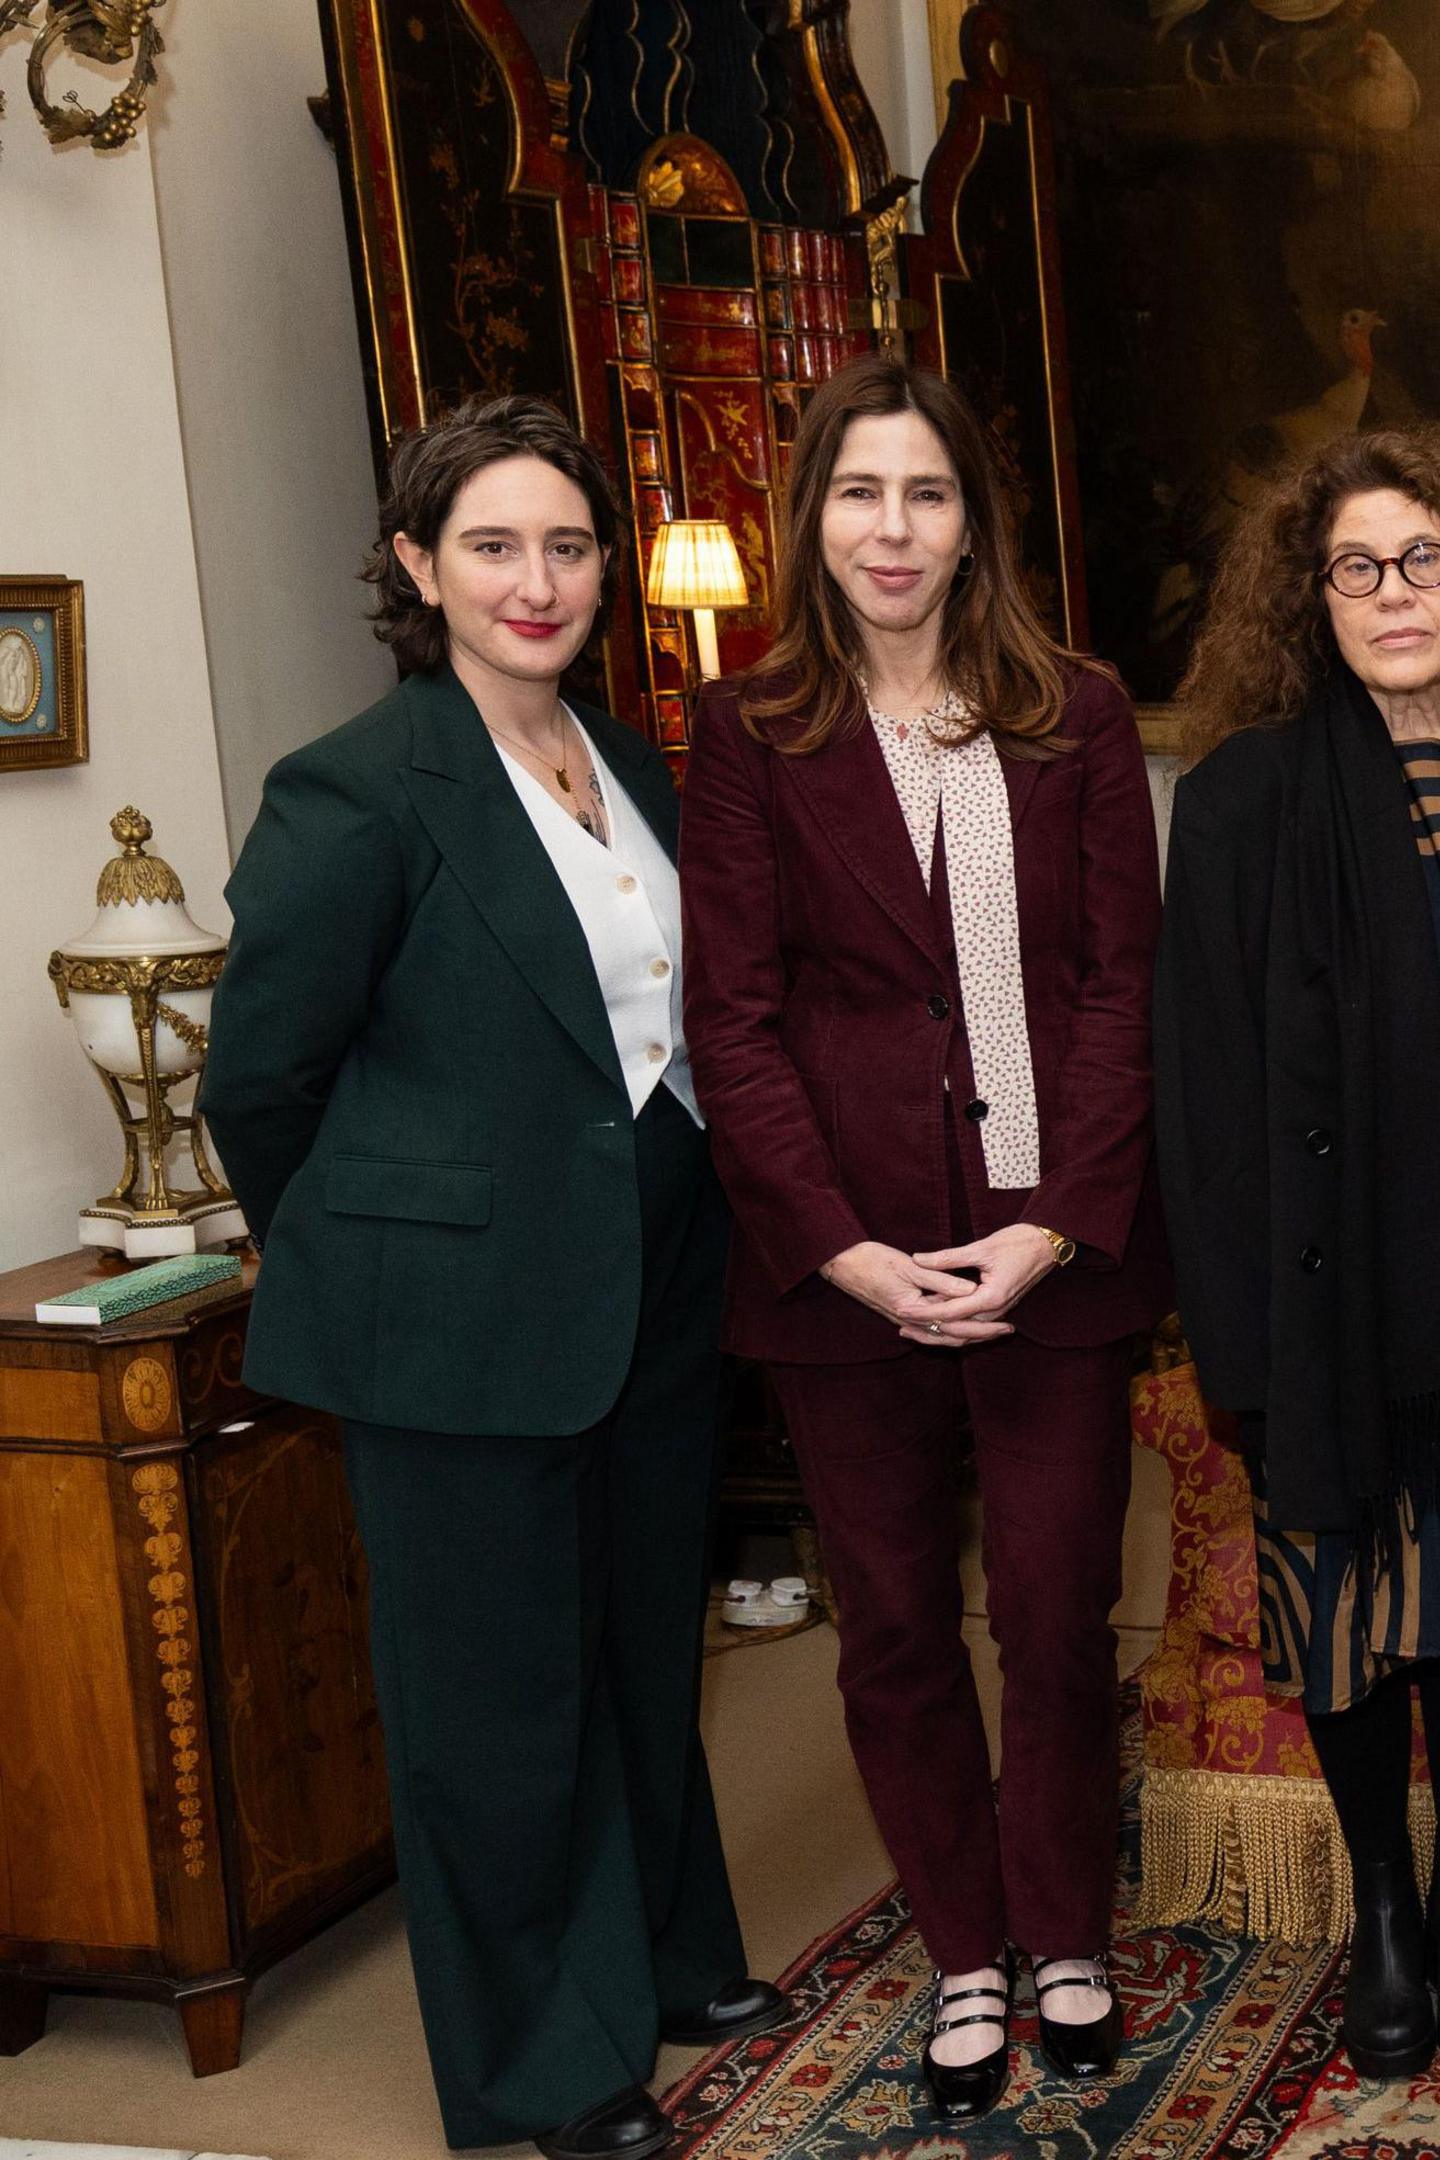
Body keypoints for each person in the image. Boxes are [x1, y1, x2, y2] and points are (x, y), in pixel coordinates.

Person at [204, 395, 789, 2160]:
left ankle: (672, 1956)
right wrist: (399, 1242)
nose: (535, 581)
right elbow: (260, 1080)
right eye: (491, 546)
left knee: (634, 1649)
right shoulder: (360, 789)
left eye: (565, 545)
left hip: (653, 1286)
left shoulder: (635, 762)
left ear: (603, 567)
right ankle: (544, 2063)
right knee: (495, 1703)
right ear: (415, 566)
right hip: (452, 1325)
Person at [677, 358, 1170, 2122]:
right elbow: (727, 1019)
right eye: (859, 494)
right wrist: (842, 1250)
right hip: (850, 1275)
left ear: (976, 524)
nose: (892, 530)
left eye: (927, 495)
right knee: (889, 1625)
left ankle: (1064, 1939)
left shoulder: (1078, 716)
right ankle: (963, 1950)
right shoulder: (749, 733)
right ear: (812, 518)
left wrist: (1048, 1231)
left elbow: (1124, 989)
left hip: (1056, 1256)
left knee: (1052, 1614)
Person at [1152, 425, 1440, 2081]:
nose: (1394, 594)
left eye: (1426, 559)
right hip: (1324, 1288)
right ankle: (1378, 1902)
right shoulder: (1238, 803)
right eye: (1355, 568)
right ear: (1312, 597)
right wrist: (1232, 1339)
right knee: (1352, 1597)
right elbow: (1201, 1089)